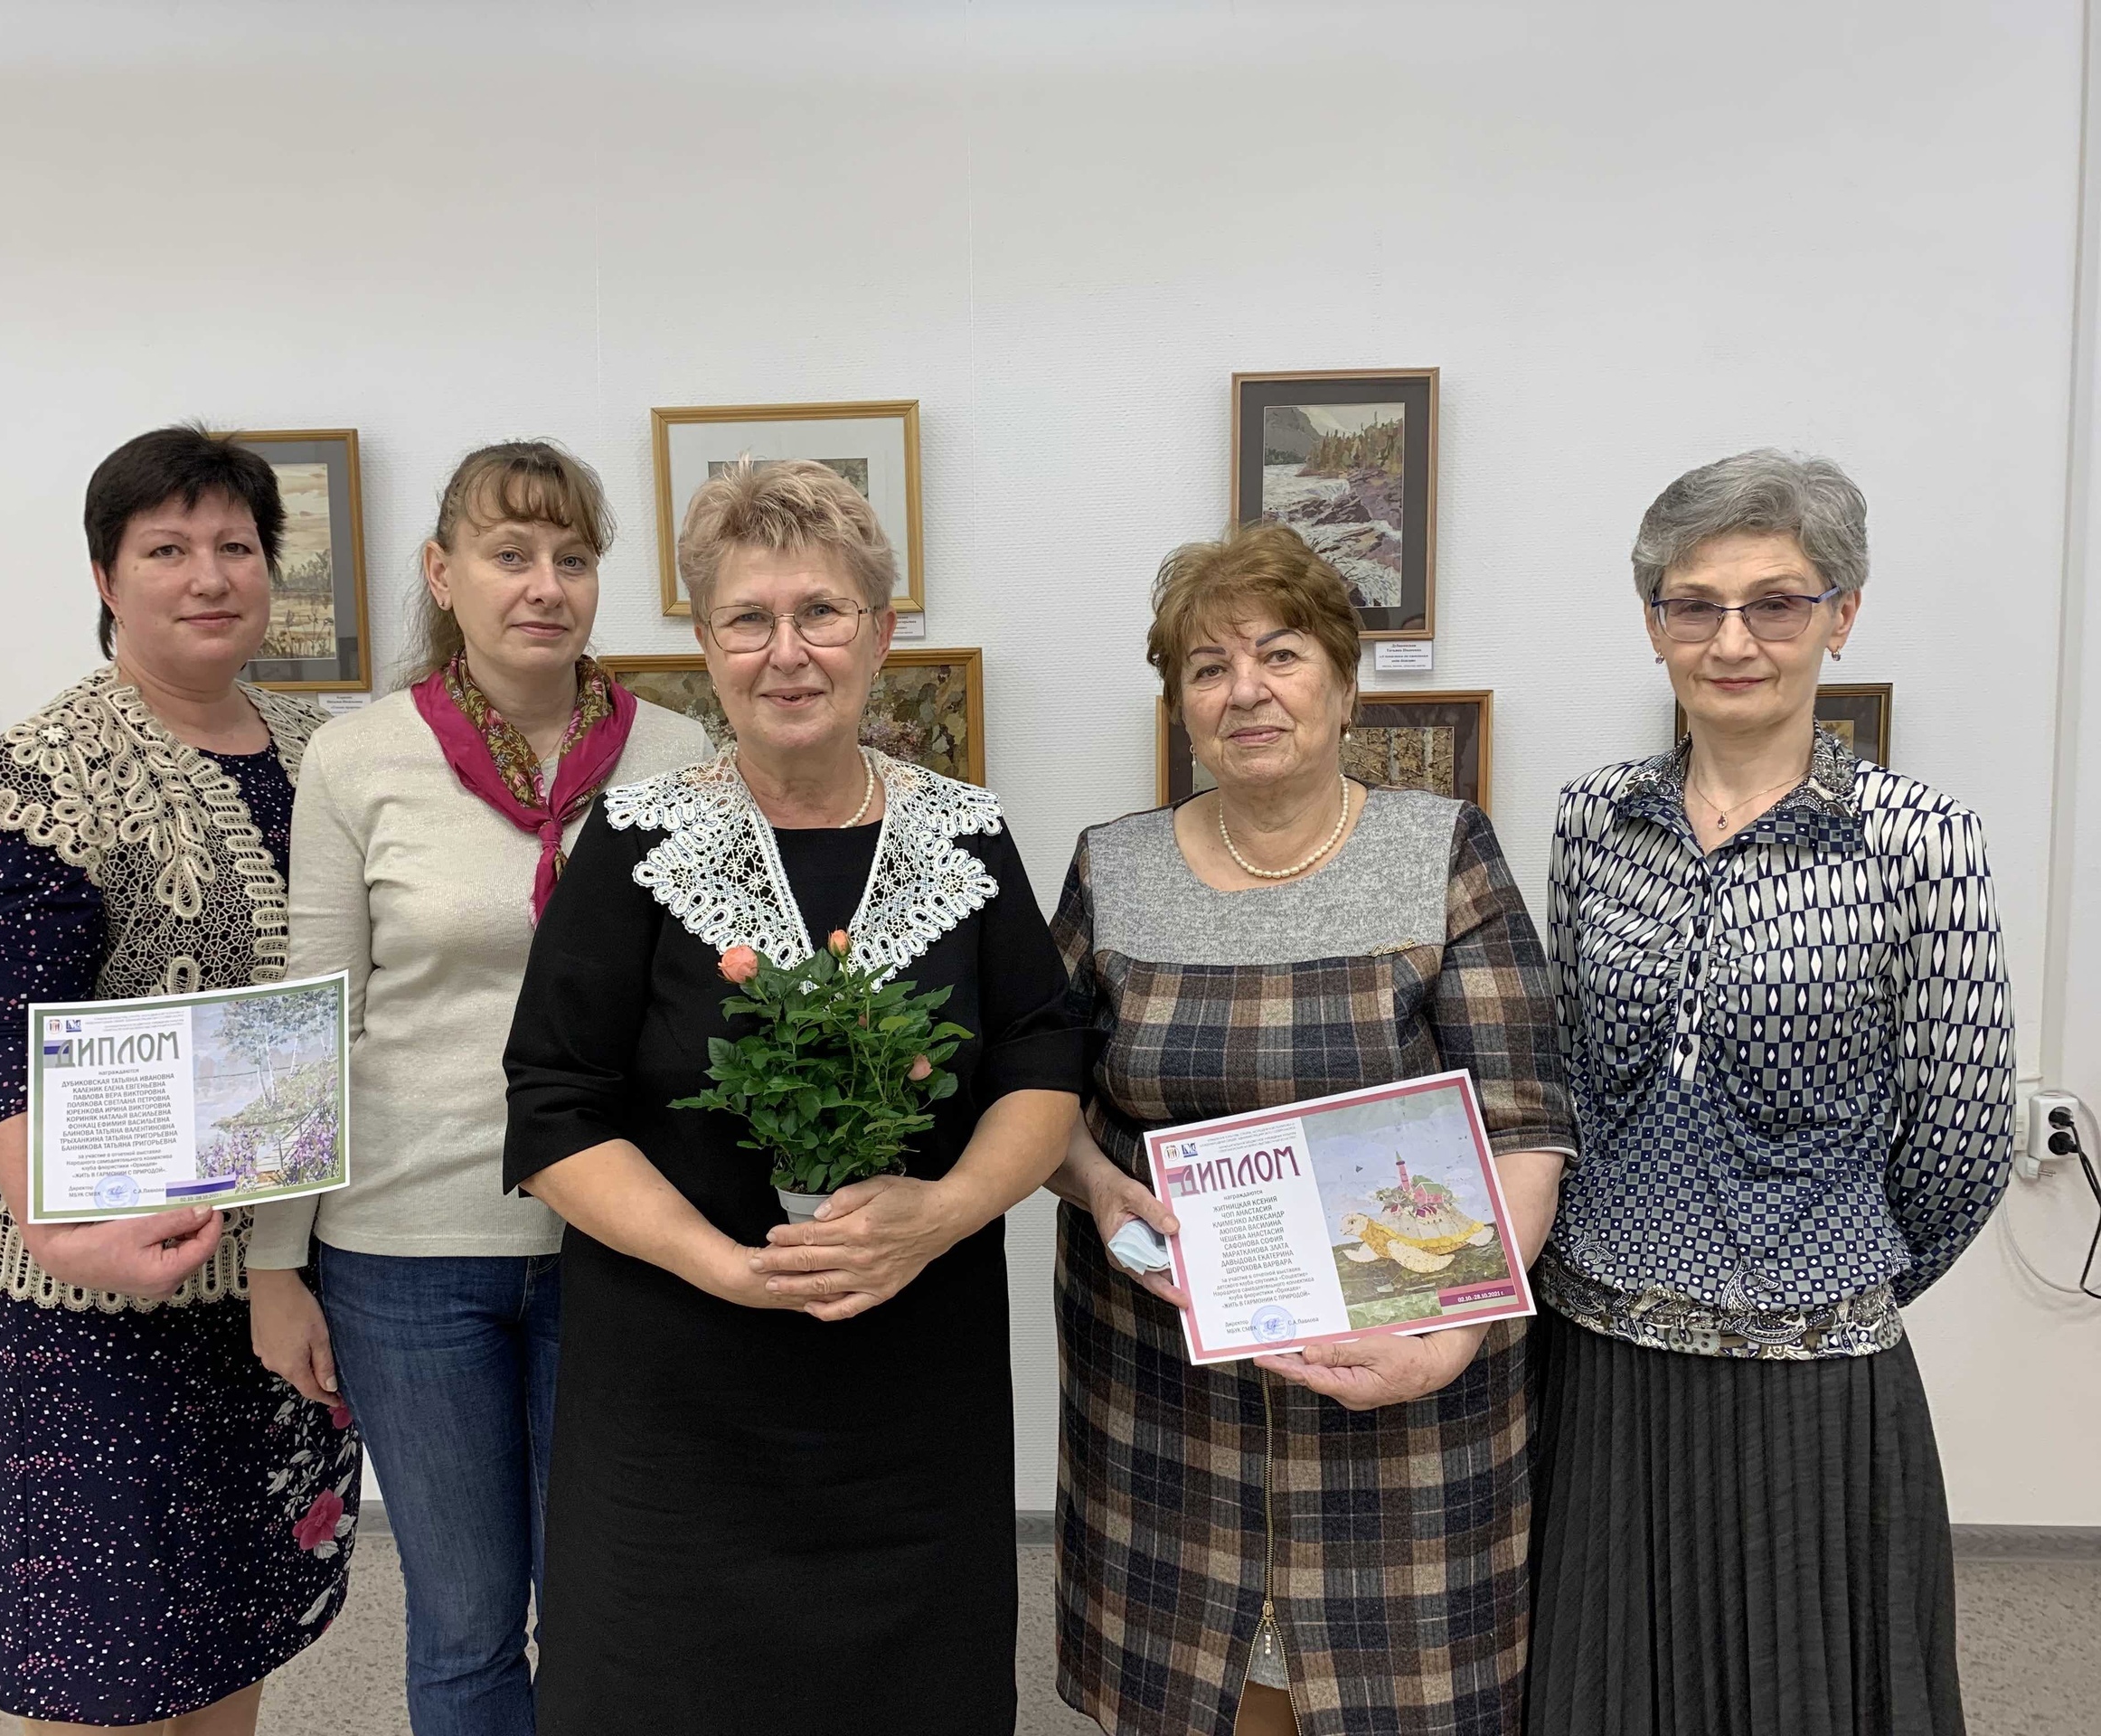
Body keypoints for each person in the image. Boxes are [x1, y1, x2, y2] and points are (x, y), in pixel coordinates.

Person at [500, 458, 1083, 1735]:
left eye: (820, 612)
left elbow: (1042, 1062)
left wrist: (946, 1212)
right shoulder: (634, 841)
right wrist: (720, 1265)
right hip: (677, 1389)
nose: (787, 653)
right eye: (748, 620)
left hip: (910, 1393)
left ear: (881, 633)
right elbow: (553, 1105)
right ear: (707, 648)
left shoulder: (967, 832)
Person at [1045, 522, 1575, 1736]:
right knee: (1201, 1695)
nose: (1246, 691)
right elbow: (1041, 1099)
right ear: (1181, 706)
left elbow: (1526, 1121)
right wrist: (1096, 1187)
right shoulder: (1113, 868)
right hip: (1166, 1367)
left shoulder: (1441, 851)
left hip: (1407, 1364)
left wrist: (1453, 1332)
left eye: (1279, 656)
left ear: (1343, 684)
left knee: (1398, 1696)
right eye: (1208, 666)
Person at [1530, 449, 2016, 1736]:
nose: (1732, 640)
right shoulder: (1592, 821)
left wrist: (1827, 1270)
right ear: (1654, 626)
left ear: (1841, 616)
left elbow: (1963, 1133)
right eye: (1694, 605)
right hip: (1600, 1354)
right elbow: (1565, 1079)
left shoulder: (1917, 839)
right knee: (1609, 1689)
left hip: (1813, 1374)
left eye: (1776, 603)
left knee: (1805, 1691)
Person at [248, 441, 707, 1733]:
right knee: (464, 1626)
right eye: (510, 554)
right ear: (443, 574)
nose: (545, 585)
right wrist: (275, 1265)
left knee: (611, 1608)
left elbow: (707, 1006)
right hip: (405, 1254)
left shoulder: (680, 755)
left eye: (574, 557)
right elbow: (310, 1020)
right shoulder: (358, 759)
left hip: (616, 1240)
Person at [0, 426, 357, 1733]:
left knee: (237, 1606)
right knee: (108, 1641)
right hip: (101, 1283)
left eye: (236, 545)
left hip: (274, 1265)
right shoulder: (45, 774)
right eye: (167, 548)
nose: (209, 575)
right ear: (107, 578)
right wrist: (63, 1230)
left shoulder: (324, 753)